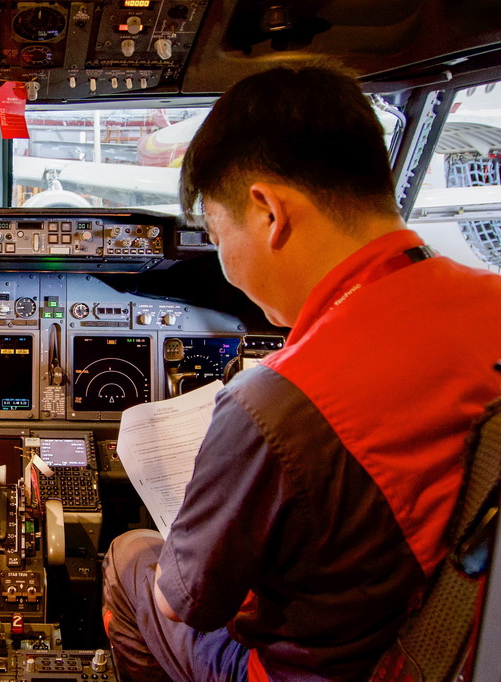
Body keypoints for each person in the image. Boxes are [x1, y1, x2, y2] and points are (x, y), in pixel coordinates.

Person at [101, 60, 501, 681]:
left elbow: (183, 604)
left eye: (215, 228)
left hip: (316, 671)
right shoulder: (491, 301)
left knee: (131, 558)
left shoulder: (278, 404)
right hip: (441, 650)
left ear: (267, 211)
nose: (224, 261)